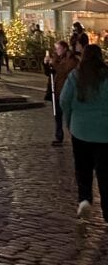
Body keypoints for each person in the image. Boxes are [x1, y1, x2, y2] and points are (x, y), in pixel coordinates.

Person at [60, 44, 108, 221]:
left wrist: (70, 121)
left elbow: (64, 100)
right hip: (104, 132)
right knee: (105, 173)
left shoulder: (75, 76)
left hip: (80, 130)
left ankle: (85, 199)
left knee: (83, 168)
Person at [45, 40, 78, 145]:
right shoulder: (56, 58)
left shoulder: (71, 59)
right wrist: (46, 64)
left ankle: (75, 136)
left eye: (58, 48)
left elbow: (64, 70)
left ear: (64, 48)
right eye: (56, 48)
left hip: (66, 90)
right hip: (56, 90)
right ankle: (59, 136)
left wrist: (53, 63)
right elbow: (49, 73)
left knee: (69, 115)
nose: (56, 50)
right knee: (57, 115)